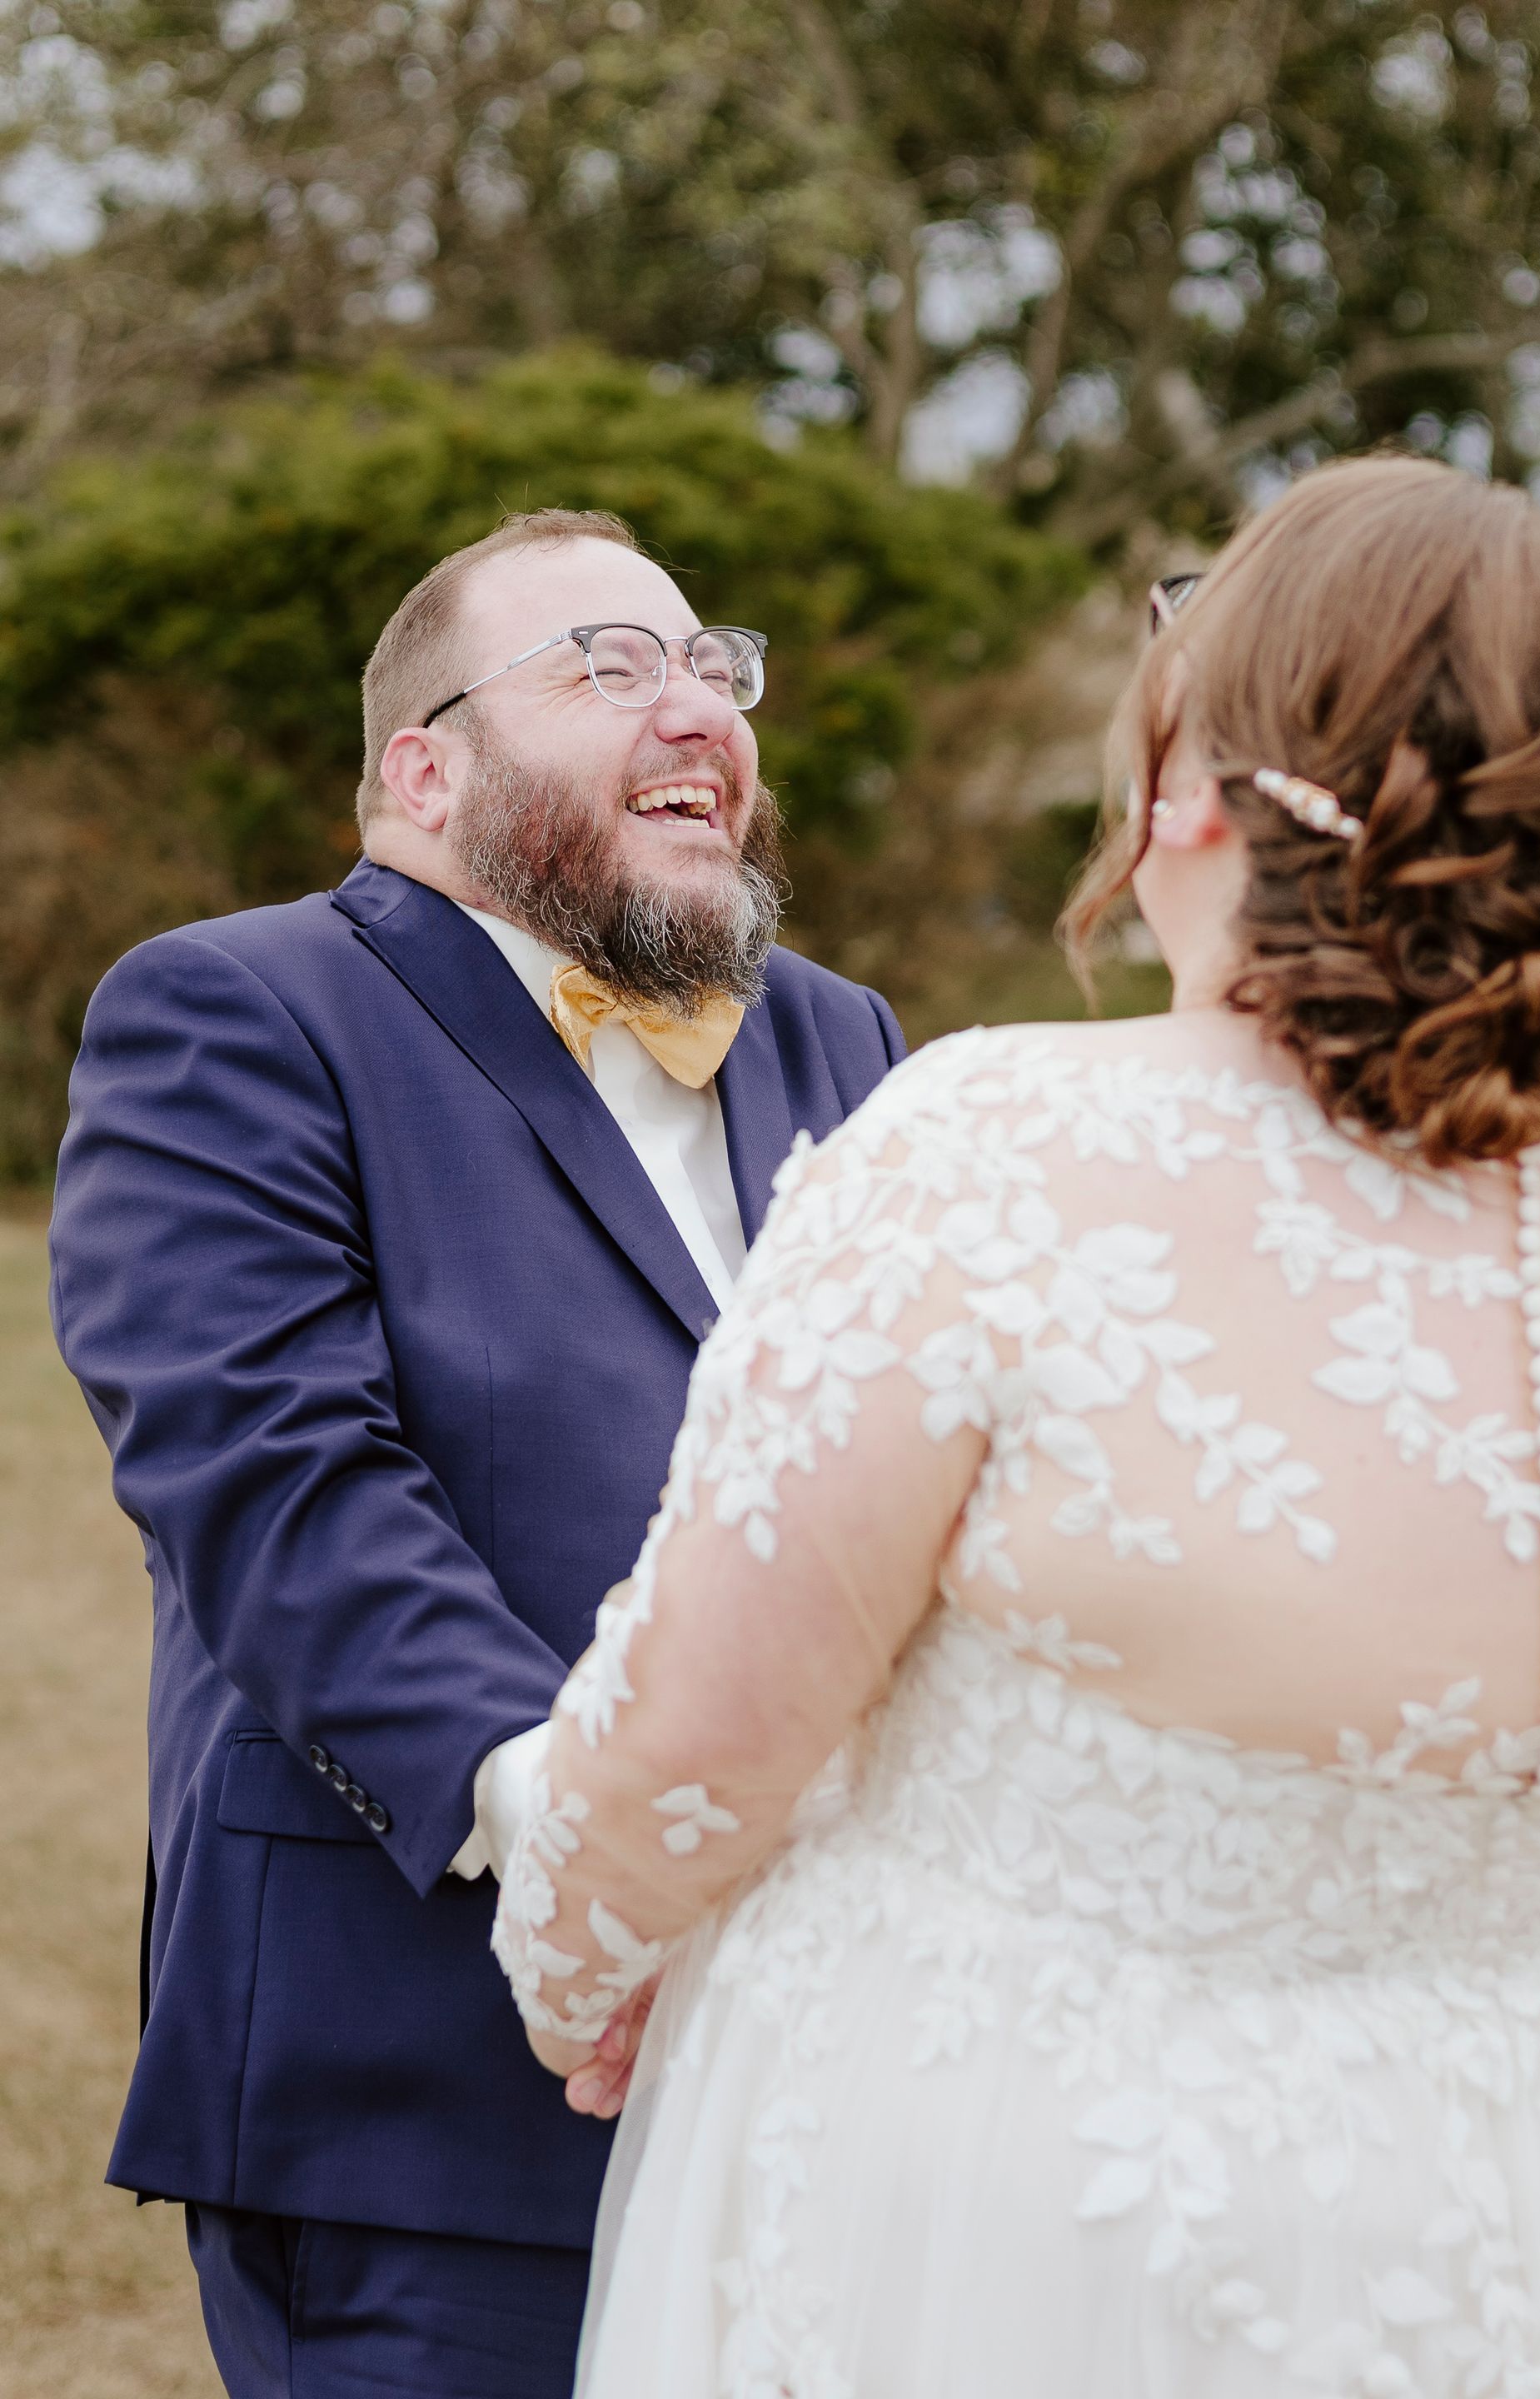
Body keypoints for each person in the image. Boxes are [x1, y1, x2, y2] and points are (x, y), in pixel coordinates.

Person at [491, 456, 1540, 2397]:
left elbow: (701, 1734)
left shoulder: (998, 1153)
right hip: (1524, 2215)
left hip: (1011, 2220)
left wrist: (579, 1967)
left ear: (1191, 782)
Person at [48, 506, 905, 2398]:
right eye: (608, 665)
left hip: (830, 2070)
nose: (694, 705)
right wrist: (585, 1848)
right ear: (421, 769)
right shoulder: (238, 1011)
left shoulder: (841, 1043)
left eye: (714, 664)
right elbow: (280, 1485)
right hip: (426, 2078)